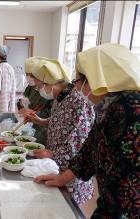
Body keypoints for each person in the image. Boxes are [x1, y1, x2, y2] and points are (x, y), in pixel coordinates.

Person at [34, 44, 140, 218]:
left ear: (98, 80)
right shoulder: (109, 105)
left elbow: (126, 187)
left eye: (79, 82)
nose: (76, 88)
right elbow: (90, 148)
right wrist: (62, 178)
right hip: (111, 203)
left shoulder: (130, 109)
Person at [25, 57, 95, 206]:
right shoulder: (60, 97)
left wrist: (54, 154)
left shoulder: (78, 100)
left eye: (39, 87)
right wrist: (41, 121)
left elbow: (81, 139)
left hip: (71, 171)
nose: (39, 90)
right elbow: (60, 121)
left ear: (50, 83)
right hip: (56, 165)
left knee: (67, 208)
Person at [17, 57, 53, 145]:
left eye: (31, 75)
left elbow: (50, 113)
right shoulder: (30, 87)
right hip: (28, 126)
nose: (28, 77)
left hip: (41, 128)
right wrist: (21, 106)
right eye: (27, 74)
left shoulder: (48, 90)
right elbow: (20, 103)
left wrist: (34, 113)